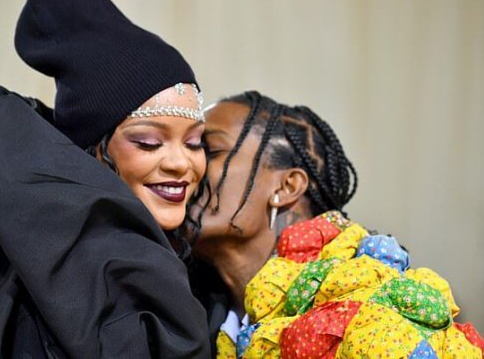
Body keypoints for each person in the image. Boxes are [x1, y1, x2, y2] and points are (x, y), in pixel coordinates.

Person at [0, 0, 210, 358]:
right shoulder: (75, 275)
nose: (181, 163)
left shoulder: (172, 261)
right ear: (93, 148)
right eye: (148, 142)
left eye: (196, 142)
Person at [187, 91, 484, 358]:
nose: (186, 164)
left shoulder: (373, 313)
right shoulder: (190, 311)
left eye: (209, 149)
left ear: (287, 186)